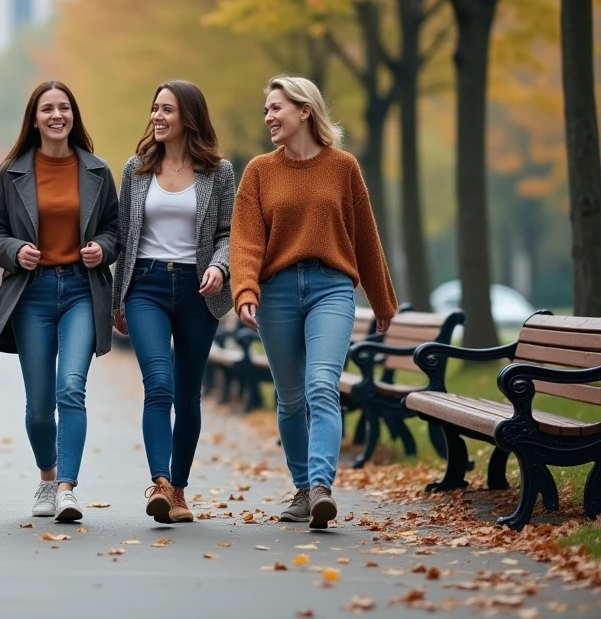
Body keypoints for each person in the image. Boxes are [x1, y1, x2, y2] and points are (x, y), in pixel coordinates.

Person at [230, 75, 397, 529]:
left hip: (331, 288)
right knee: (289, 399)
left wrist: (383, 302)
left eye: (276, 108)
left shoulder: (343, 167)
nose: (268, 117)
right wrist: (245, 290)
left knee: (322, 385)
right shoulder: (259, 171)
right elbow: (245, 241)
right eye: (266, 109)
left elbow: (366, 237)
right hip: (277, 293)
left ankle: (322, 487)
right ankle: (302, 489)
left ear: (305, 110)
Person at [0, 81, 120, 523]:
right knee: (40, 403)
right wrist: (13, 252)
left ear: (74, 116)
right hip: (33, 294)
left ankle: (66, 488)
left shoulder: (97, 170)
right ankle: (47, 476)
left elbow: (115, 230)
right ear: (35, 118)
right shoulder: (11, 173)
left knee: (71, 389)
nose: (57, 115)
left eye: (64, 107)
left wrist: (102, 247)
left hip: (81, 290)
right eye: (48, 108)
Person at [112, 80, 235, 524]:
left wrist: (219, 267)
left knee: (188, 395)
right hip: (145, 285)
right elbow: (125, 239)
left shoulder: (219, 173)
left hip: (198, 288)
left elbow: (227, 233)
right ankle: (160, 483)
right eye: (154, 108)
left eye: (166, 109)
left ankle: (179, 491)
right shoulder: (136, 169)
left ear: (188, 116)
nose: (157, 116)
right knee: (158, 384)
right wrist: (116, 303)